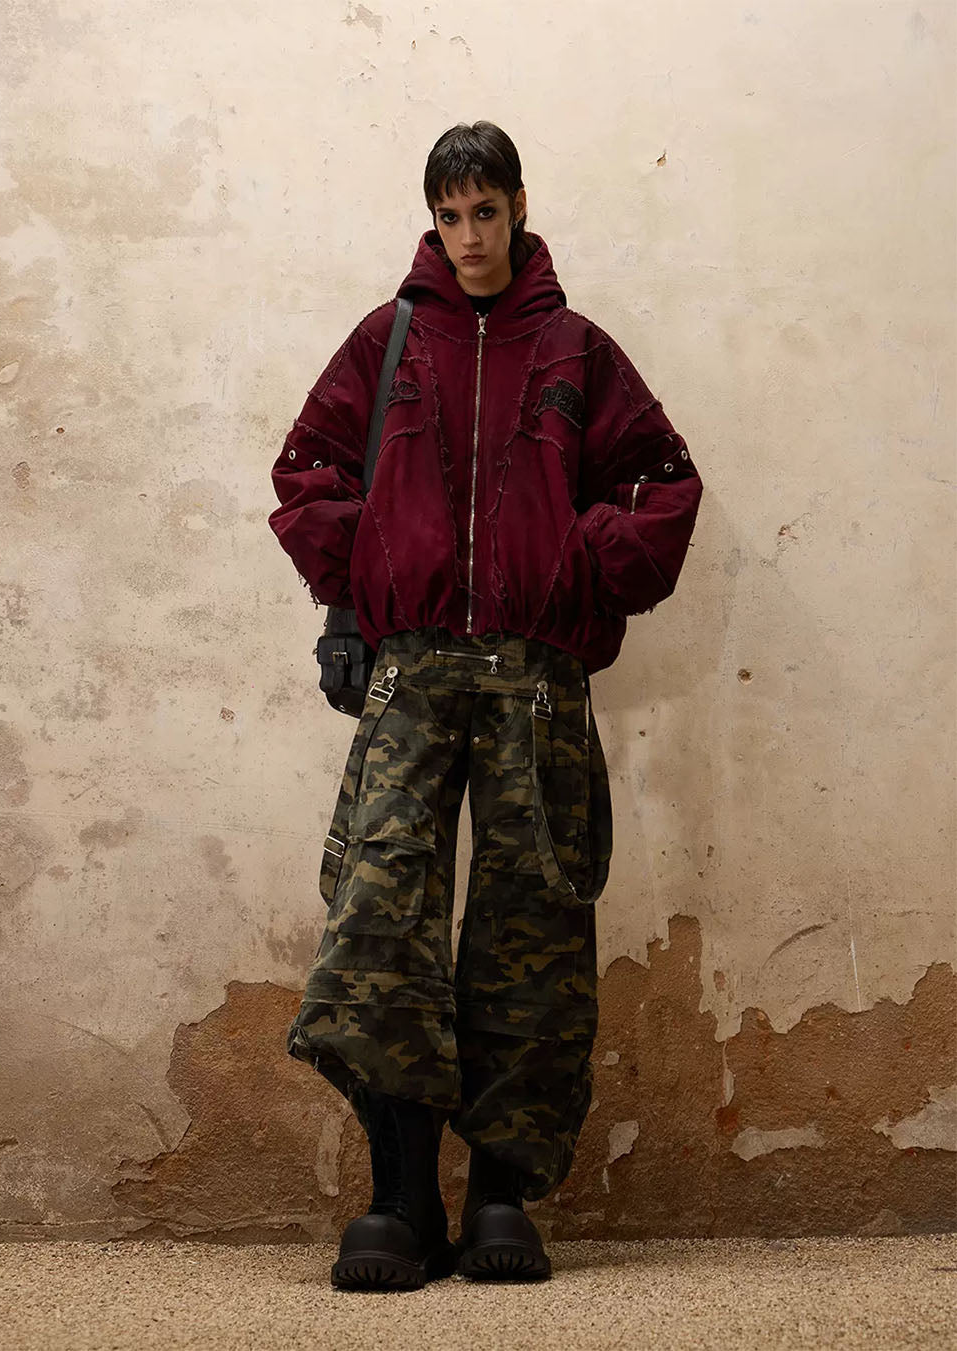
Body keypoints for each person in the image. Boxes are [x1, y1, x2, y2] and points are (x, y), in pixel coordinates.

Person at [268, 121, 703, 1290]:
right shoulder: (386, 342)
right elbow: (307, 472)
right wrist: (361, 577)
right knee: (380, 919)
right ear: (433, 218)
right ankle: (402, 1199)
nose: (469, 236)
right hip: (410, 673)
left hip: (534, 684)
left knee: (531, 928)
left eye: (486, 212)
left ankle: (501, 1193)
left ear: (517, 208)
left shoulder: (573, 350)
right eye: (450, 215)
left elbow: (662, 486)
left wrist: (576, 563)